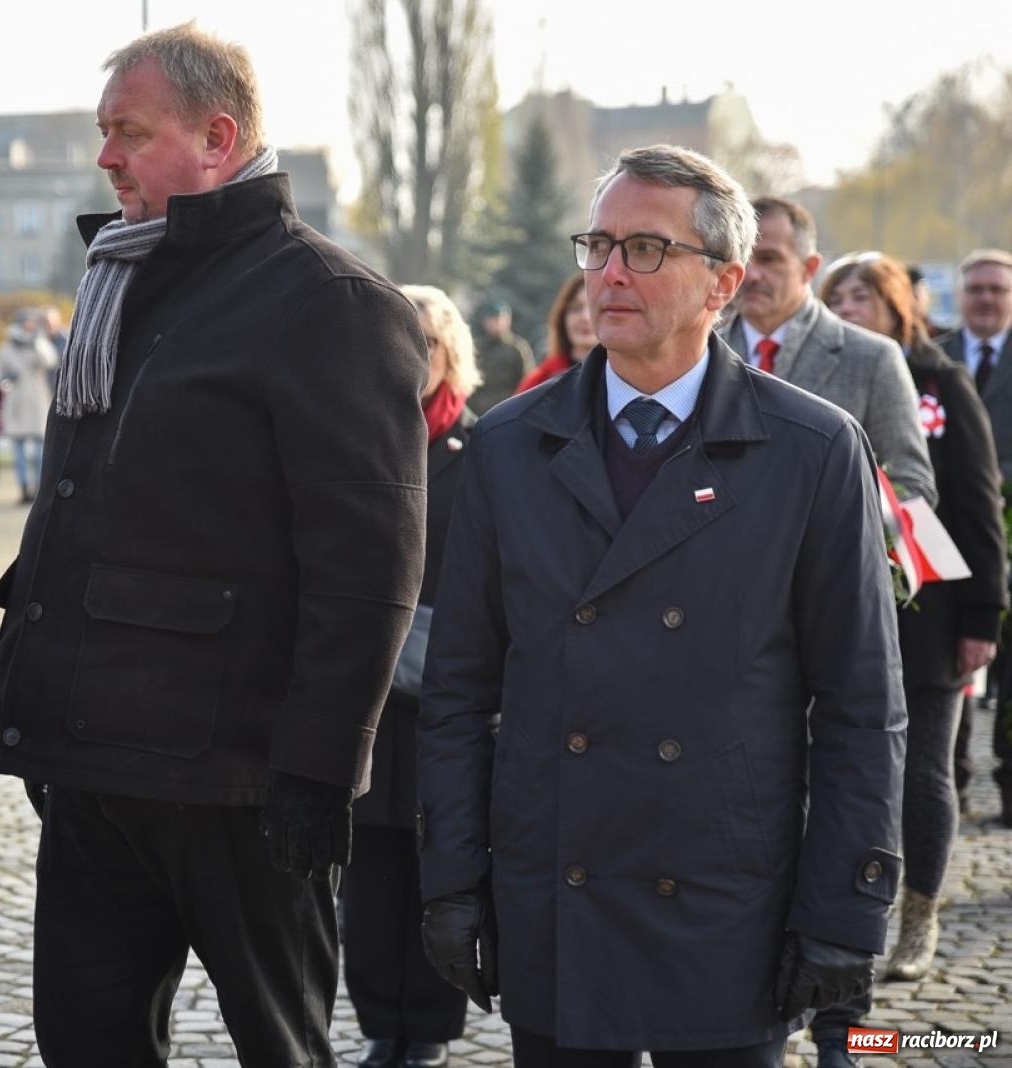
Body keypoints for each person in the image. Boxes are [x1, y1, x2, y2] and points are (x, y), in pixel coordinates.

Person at [0, 24, 426, 1066]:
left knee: (281, 1050)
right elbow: (75, 516)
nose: (106, 157)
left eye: (128, 132)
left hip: (239, 782)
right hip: (94, 766)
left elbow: (367, 567)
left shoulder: (334, 306)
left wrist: (318, 771)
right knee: (84, 1046)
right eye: (103, 133)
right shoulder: (118, 285)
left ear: (218, 137)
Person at [417, 144, 905, 1068]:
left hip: (726, 899)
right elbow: (458, 689)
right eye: (596, 245)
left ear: (723, 282)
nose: (607, 273)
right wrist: (450, 878)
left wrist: (846, 905)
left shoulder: (811, 449)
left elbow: (859, 706)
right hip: (560, 884)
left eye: (643, 249)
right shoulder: (512, 444)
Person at [816, 252, 1004, 1045]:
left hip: (929, 616)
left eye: (865, 293)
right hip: (840, 616)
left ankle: (919, 915)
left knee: (926, 770)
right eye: (840, 295)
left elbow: (972, 501)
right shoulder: (814, 376)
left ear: (898, 305)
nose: (851, 305)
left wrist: (983, 620)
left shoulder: (936, 382)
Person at [343, 284, 478, 1068]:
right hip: (366, 701)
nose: (411, 357)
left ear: (448, 353)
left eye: (424, 342)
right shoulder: (358, 438)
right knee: (367, 882)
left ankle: (428, 1030)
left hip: (444, 701)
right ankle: (379, 1025)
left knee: (437, 872)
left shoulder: (481, 446)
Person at [720, 196, 936, 508]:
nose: (751, 274)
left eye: (769, 259)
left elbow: (912, 484)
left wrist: (822, 525)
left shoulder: (872, 357)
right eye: (743, 258)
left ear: (809, 268)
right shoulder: (699, 354)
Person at [938, 248, 1012, 826]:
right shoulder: (930, 358)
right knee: (955, 664)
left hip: (1001, 525)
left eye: (998, 290)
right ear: (960, 296)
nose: (987, 299)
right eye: (977, 289)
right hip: (945, 536)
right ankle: (953, 776)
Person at [0, 307, 60, 504]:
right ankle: (23, 487)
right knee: (19, 450)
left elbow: (50, 361)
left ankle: (39, 487)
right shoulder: (7, 347)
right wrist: (6, 377)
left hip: (37, 400)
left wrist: (37, 342)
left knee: (40, 450)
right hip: (16, 401)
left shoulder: (40, 342)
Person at [514, 274, 597, 393]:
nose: (585, 317)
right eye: (575, 308)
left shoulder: (627, 381)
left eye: (594, 307)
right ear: (562, 318)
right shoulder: (538, 384)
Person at [466, 298, 534, 415]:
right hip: (478, 412)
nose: (497, 323)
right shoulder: (477, 348)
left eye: (500, 319)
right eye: (492, 319)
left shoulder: (517, 348)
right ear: (485, 321)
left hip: (508, 411)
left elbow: (528, 381)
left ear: (508, 320)